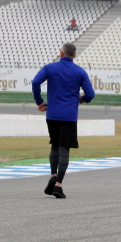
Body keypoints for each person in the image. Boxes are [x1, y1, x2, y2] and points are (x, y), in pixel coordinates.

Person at [32, 43, 95, 199]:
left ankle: (53, 175)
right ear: (74, 55)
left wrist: (39, 101)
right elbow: (90, 94)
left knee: (54, 145)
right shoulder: (80, 71)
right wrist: (82, 99)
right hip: (69, 116)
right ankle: (58, 185)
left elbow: (35, 82)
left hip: (52, 114)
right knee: (64, 149)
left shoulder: (50, 68)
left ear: (61, 53)